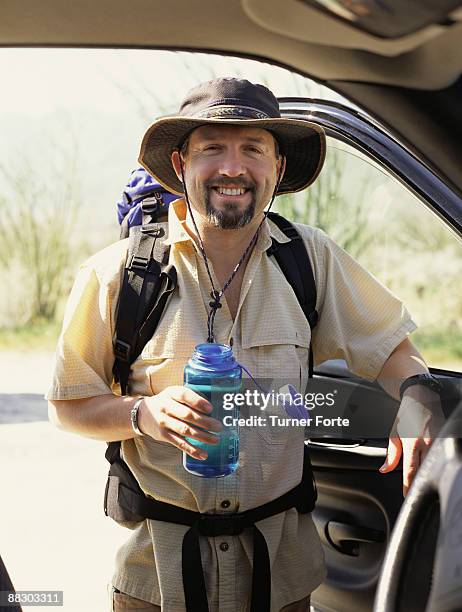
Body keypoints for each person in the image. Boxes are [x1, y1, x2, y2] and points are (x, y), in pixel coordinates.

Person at [47, 78, 443, 612]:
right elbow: (67, 404)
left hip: (280, 582)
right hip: (158, 584)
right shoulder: (120, 274)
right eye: (212, 148)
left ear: (277, 167)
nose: (233, 168)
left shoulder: (312, 260)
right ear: (182, 163)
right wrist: (143, 414)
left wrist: (417, 398)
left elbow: (394, 350)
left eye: (252, 148)